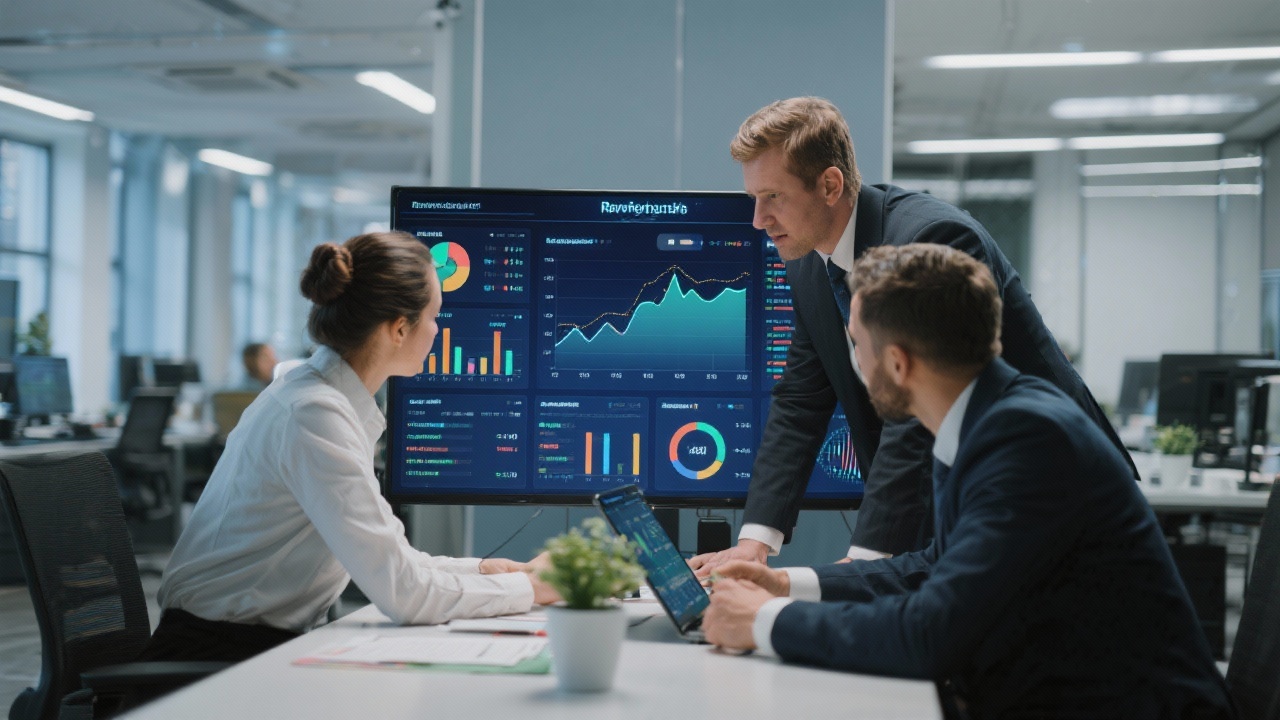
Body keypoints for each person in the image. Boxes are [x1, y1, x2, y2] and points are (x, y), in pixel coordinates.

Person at [701, 244, 1234, 718]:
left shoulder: (1026, 440)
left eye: (855, 344)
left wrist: (766, 621)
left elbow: (930, 635)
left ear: (897, 363)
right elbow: (936, 567)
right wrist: (791, 583)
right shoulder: (985, 417)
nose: (852, 362)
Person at [691, 96, 1132, 570]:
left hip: (1049, 485)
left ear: (830, 185)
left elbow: (918, 410)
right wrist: (754, 543)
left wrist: (864, 560)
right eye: (753, 199)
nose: (758, 220)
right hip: (957, 494)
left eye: (773, 196)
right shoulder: (808, 267)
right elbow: (801, 400)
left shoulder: (930, 240)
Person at [143, 232, 558, 662]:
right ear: (399, 328)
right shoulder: (312, 415)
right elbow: (405, 593)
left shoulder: (321, 399)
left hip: (248, 645)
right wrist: (533, 587)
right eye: (436, 316)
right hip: (211, 661)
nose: (439, 330)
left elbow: (392, 560)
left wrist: (483, 571)